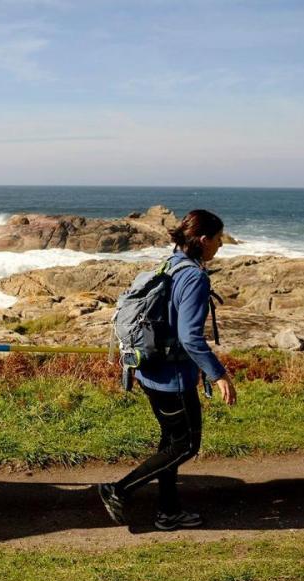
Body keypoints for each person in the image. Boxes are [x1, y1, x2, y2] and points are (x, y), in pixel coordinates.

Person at [99, 209, 237, 531]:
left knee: (171, 444)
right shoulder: (194, 277)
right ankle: (118, 490)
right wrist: (218, 374)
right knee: (186, 445)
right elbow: (190, 337)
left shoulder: (170, 264)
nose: (219, 246)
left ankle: (168, 512)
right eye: (217, 240)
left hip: (151, 372)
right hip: (173, 379)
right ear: (203, 240)